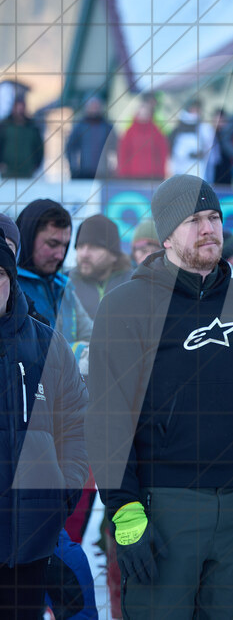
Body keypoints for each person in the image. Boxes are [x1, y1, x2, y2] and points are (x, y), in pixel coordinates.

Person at [86, 174, 233, 618]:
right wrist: (125, 511)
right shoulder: (125, 307)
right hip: (164, 508)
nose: (208, 228)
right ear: (165, 236)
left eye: (214, 217)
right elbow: (107, 420)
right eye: (193, 219)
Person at [0, 231, 89, 618]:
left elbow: (76, 428)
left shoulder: (47, 345)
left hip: (30, 539)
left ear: (10, 278)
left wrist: (60, 498)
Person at [15, 200, 92, 361]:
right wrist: (78, 353)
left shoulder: (63, 286)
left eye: (65, 246)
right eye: (52, 244)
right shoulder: (9, 286)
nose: (60, 255)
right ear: (27, 238)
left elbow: (93, 336)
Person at [68, 214, 133, 319]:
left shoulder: (134, 284)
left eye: (93, 247)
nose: (84, 254)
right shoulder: (65, 285)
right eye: (80, 246)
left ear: (114, 255)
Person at [66, 96, 116, 179]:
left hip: (103, 174)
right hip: (84, 173)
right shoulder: (79, 127)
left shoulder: (107, 127)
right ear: (86, 108)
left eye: (96, 106)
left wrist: (113, 169)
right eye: (91, 106)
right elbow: (70, 149)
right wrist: (74, 168)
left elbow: (116, 148)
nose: (94, 109)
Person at [117, 102, 168, 179]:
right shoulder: (129, 132)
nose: (143, 117)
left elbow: (162, 154)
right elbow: (123, 154)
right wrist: (124, 173)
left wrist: (161, 173)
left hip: (153, 176)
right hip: (132, 176)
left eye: (145, 114)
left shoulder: (156, 132)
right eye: (140, 114)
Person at [167, 98, 214, 178]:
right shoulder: (177, 130)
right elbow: (171, 148)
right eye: (192, 109)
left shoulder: (205, 128)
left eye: (197, 109)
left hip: (196, 167)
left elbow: (208, 148)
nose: (194, 112)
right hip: (179, 168)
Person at [0, 96, 44, 179]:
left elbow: (39, 148)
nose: (19, 111)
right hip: (8, 171)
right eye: (17, 107)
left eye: (21, 108)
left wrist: (37, 164)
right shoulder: (4, 126)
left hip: (27, 172)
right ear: (13, 108)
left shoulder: (32, 127)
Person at [207, 107, 233, 186]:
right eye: (216, 119)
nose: (219, 122)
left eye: (221, 120)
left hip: (226, 169)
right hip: (213, 169)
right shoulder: (209, 133)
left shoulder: (229, 135)